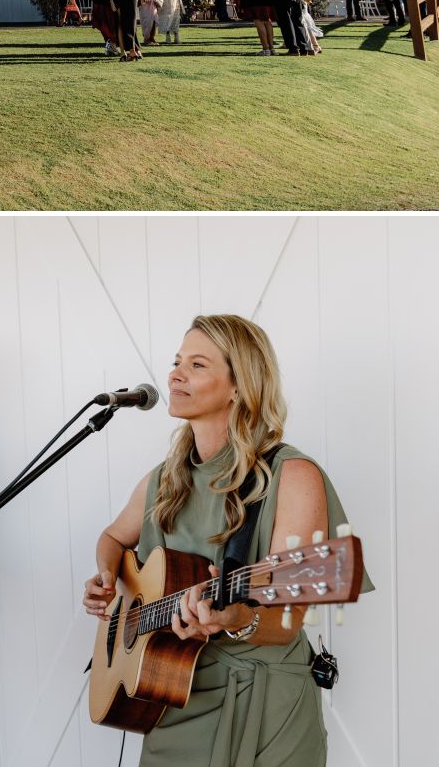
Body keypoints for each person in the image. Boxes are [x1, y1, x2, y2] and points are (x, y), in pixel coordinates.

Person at [83, 314, 369, 767]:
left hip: (261, 706)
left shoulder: (290, 477)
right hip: (171, 697)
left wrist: (237, 619)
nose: (175, 373)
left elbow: (289, 620)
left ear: (240, 386)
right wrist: (107, 578)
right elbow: (113, 539)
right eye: (177, 361)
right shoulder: (165, 478)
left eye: (197, 365)